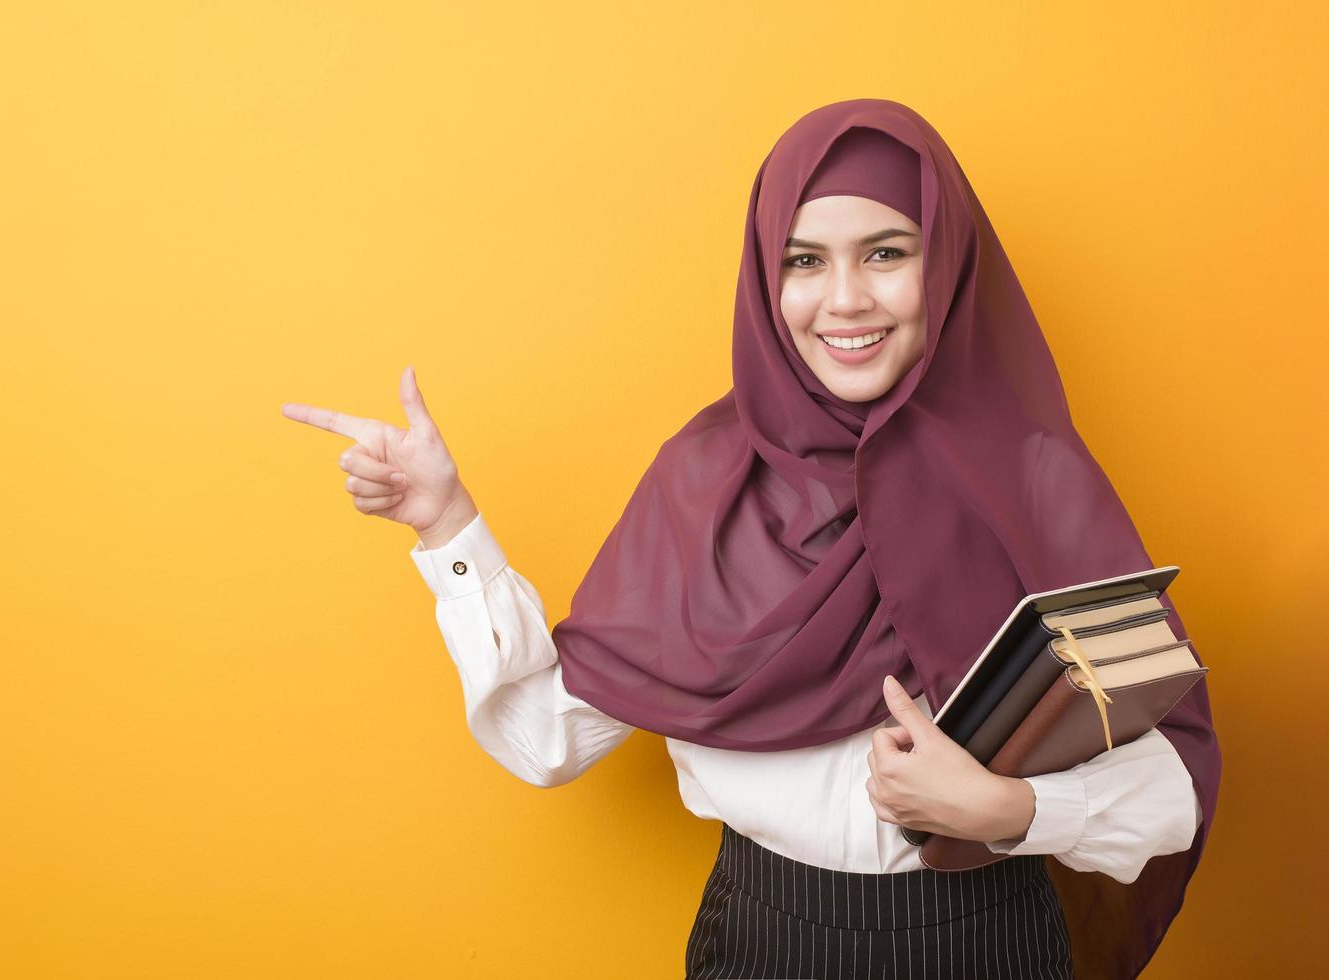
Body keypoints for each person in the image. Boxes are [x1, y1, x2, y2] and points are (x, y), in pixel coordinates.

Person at [282, 99, 1220, 979]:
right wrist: (446, 526)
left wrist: (1007, 810)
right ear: (764, 276)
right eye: (804, 261)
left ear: (948, 266)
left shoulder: (1033, 477)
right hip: (761, 936)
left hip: (985, 937)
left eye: (886, 251)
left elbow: (1173, 785)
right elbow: (545, 740)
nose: (844, 299)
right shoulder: (704, 482)